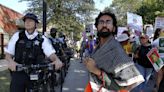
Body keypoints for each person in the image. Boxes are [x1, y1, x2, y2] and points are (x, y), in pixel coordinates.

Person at [84, 12, 144, 92]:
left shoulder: (116, 50)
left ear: (114, 28)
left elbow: (124, 87)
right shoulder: (98, 48)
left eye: (108, 22)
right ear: (97, 27)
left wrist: (96, 71)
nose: (104, 25)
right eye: (101, 22)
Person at [5, 13, 63, 92]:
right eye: (26, 21)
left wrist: (57, 60)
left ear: (36, 24)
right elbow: (8, 54)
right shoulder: (17, 36)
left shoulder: (42, 39)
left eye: (30, 20)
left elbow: (51, 53)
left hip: (36, 73)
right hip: (19, 71)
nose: (27, 22)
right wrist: (11, 62)